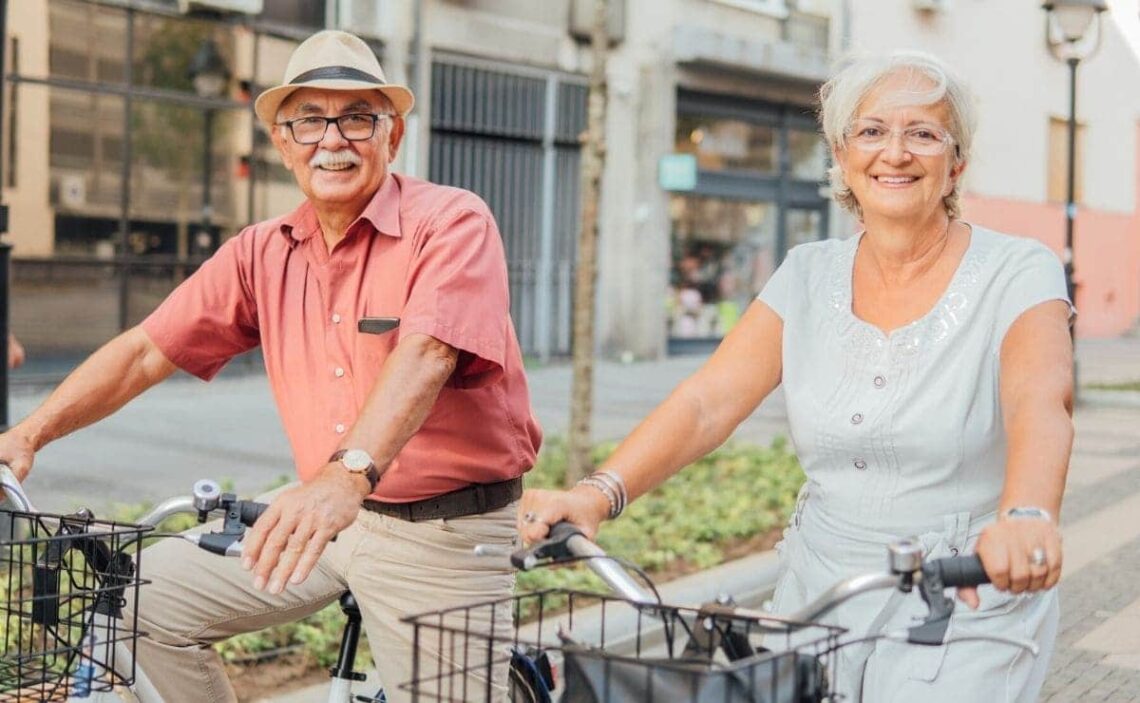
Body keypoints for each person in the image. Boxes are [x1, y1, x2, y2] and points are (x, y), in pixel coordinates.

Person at [0, 30, 541, 703]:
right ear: (283, 143)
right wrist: (29, 434)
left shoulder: (452, 222)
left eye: (356, 117)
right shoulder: (263, 251)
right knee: (134, 605)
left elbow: (427, 352)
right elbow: (145, 349)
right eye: (309, 120)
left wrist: (346, 475)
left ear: (392, 135)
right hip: (318, 511)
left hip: (443, 531)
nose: (332, 139)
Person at [521, 50, 1072, 703]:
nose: (894, 152)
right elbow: (708, 401)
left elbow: (1040, 398)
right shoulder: (808, 272)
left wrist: (1028, 514)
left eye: (922, 133)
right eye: (871, 131)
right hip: (821, 585)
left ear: (955, 163)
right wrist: (597, 493)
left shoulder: (1019, 269)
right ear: (840, 155)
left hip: (968, 580)